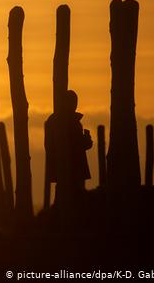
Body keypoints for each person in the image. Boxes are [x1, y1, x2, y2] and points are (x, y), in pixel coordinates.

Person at [44, 90, 93, 224]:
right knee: (74, 195)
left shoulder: (52, 121)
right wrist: (87, 140)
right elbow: (77, 144)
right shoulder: (71, 122)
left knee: (63, 194)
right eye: (72, 102)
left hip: (62, 166)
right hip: (73, 166)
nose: (74, 105)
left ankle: (59, 220)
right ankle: (68, 222)